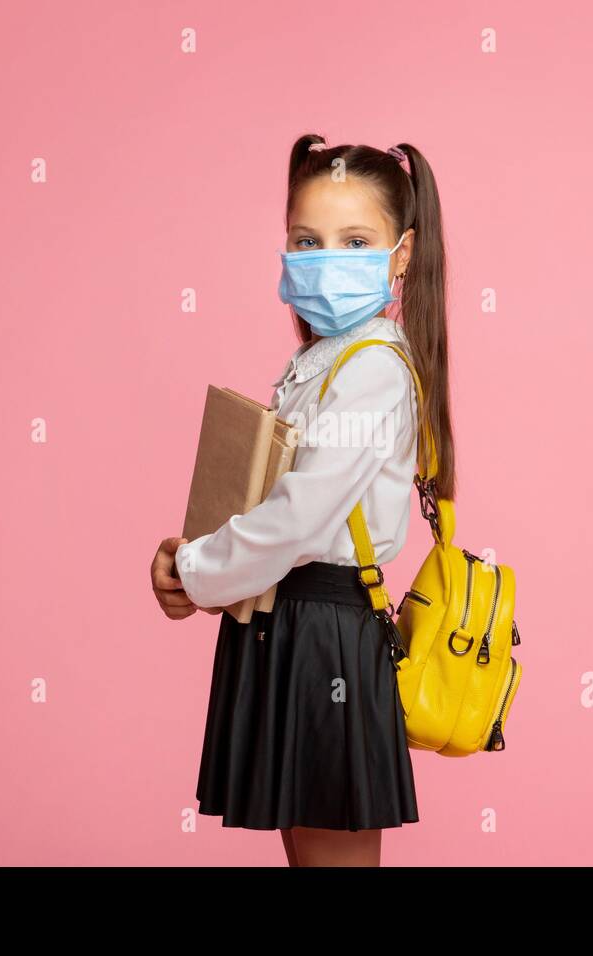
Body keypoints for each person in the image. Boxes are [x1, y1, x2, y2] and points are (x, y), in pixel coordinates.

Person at [149, 133, 456, 866]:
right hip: (291, 624)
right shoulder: (321, 360)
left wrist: (196, 568)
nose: (327, 259)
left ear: (403, 254)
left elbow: (300, 514)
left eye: (356, 241)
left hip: (326, 632)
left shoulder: (374, 369)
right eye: (307, 240)